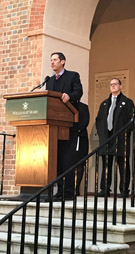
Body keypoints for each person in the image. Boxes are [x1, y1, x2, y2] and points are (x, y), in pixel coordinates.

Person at [46, 52, 83, 200]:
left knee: (67, 159)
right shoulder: (49, 81)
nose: (52, 62)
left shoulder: (72, 76)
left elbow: (78, 92)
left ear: (63, 62)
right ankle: (59, 191)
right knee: (57, 160)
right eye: (51, 60)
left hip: (67, 123)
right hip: (54, 125)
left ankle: (68, 192)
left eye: (55, 60)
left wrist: (70, 96)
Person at [96, 78, 135, 197]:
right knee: (106, 165)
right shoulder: (104, 103)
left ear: (120, 86)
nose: (113, 86)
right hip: (106, 138)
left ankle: (124, 190)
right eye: (111, 84)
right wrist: (101, 133)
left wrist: (125, 133)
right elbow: (98, 120)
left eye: (115, 84)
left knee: (123, 164)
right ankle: (105, 189)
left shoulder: (127, 102)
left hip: (120, 138)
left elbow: (133, 119)